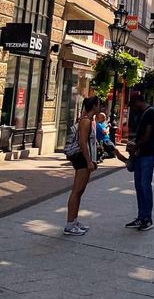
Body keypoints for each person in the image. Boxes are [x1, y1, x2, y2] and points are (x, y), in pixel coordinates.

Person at [64, 95, 100, 236]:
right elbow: (83, 143)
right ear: (94, 105)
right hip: (81, 158)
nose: (100, 106)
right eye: (99, 104)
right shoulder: (85, 121)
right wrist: (88, 160)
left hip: (85, 159)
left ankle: (74, 221)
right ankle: (69, 224)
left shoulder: (90, 121)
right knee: (77, 191)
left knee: (80, 191)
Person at [126, 93, 154, 231]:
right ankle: (141, 216)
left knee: (145, 185)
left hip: (147, 154)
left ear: (138, 102)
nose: (133, 108)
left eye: (133, 105)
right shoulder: (142, 113)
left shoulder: (150, 113)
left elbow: (147, 134)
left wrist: (135, 147)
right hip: (140, 154)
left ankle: (147, 218)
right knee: (139, 186)